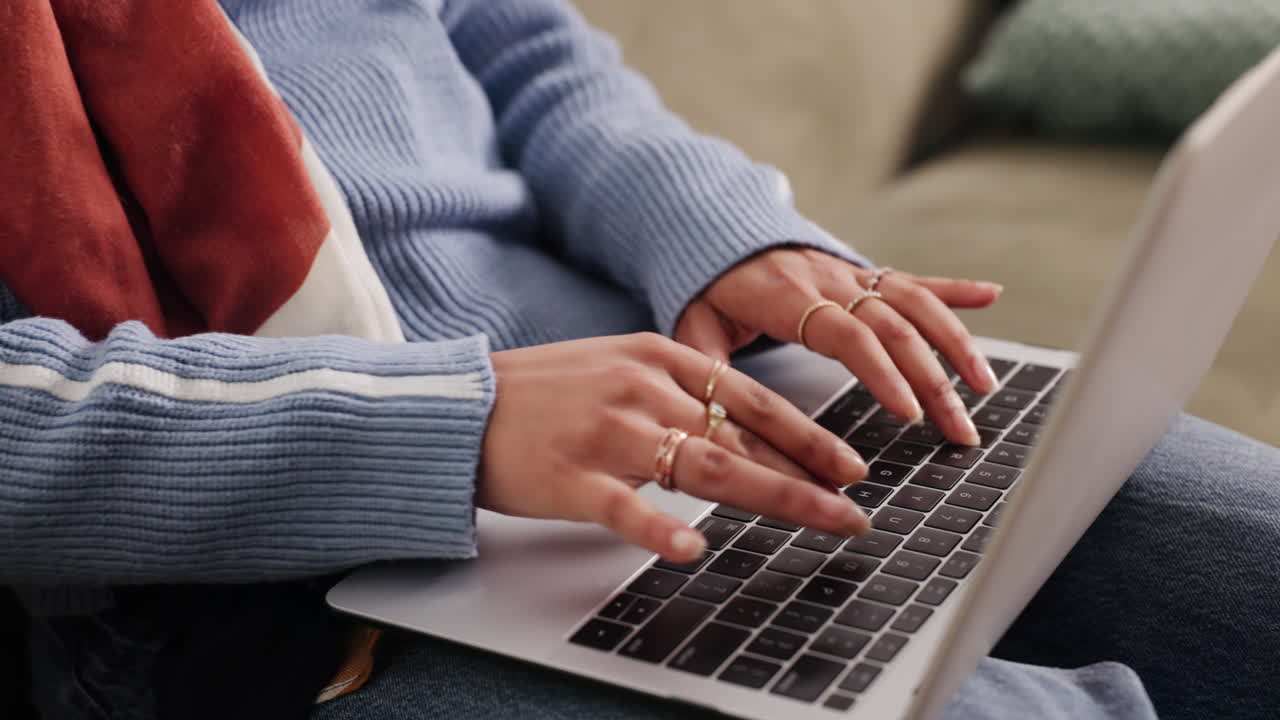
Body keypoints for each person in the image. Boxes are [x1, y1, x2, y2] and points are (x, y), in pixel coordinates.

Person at [1, 1, 1277, 719]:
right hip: (271, 590)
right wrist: (458, 422)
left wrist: (724, 237)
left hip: (677, 378)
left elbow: (527, 57)